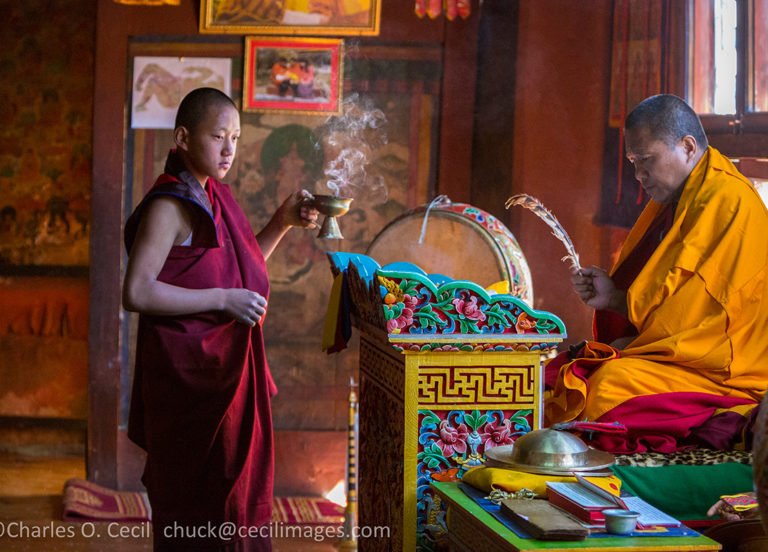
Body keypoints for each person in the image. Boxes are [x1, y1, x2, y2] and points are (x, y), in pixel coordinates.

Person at [122, 87, 318, 550]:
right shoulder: (169, 205)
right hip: (189, 384)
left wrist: (283, 221)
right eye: (217, 137)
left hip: (224, 376)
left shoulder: (217, 197)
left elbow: (243, 269)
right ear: (184, 138)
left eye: (236, 137)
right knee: (197, 506)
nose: (229, 149)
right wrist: (222, 301)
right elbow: (137, 291)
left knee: (233, 502)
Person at [545, 94, 768, 454]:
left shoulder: (727, 202)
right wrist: (616, 298)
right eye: (633, 162)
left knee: (607, 386)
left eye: (646, 160)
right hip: (682, 355)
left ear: (688, 147)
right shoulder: (684, 199)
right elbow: (674, 298)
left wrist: (630, 344)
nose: (639, 175)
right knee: (566, 369)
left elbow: (706, 325)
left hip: (726, 374)